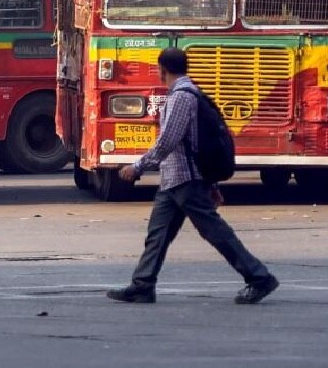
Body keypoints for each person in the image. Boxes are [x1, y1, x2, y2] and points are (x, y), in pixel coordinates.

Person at [107, 47, 279, 305]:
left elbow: (167, 142)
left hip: (186, 179)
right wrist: (212, 183)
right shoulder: (191, 93)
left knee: (215, 232)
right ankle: (142, 285)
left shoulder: (181, 98)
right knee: (158, 234)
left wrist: (137, 167)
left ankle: (259, 277)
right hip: (174, 180)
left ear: (162, 70)